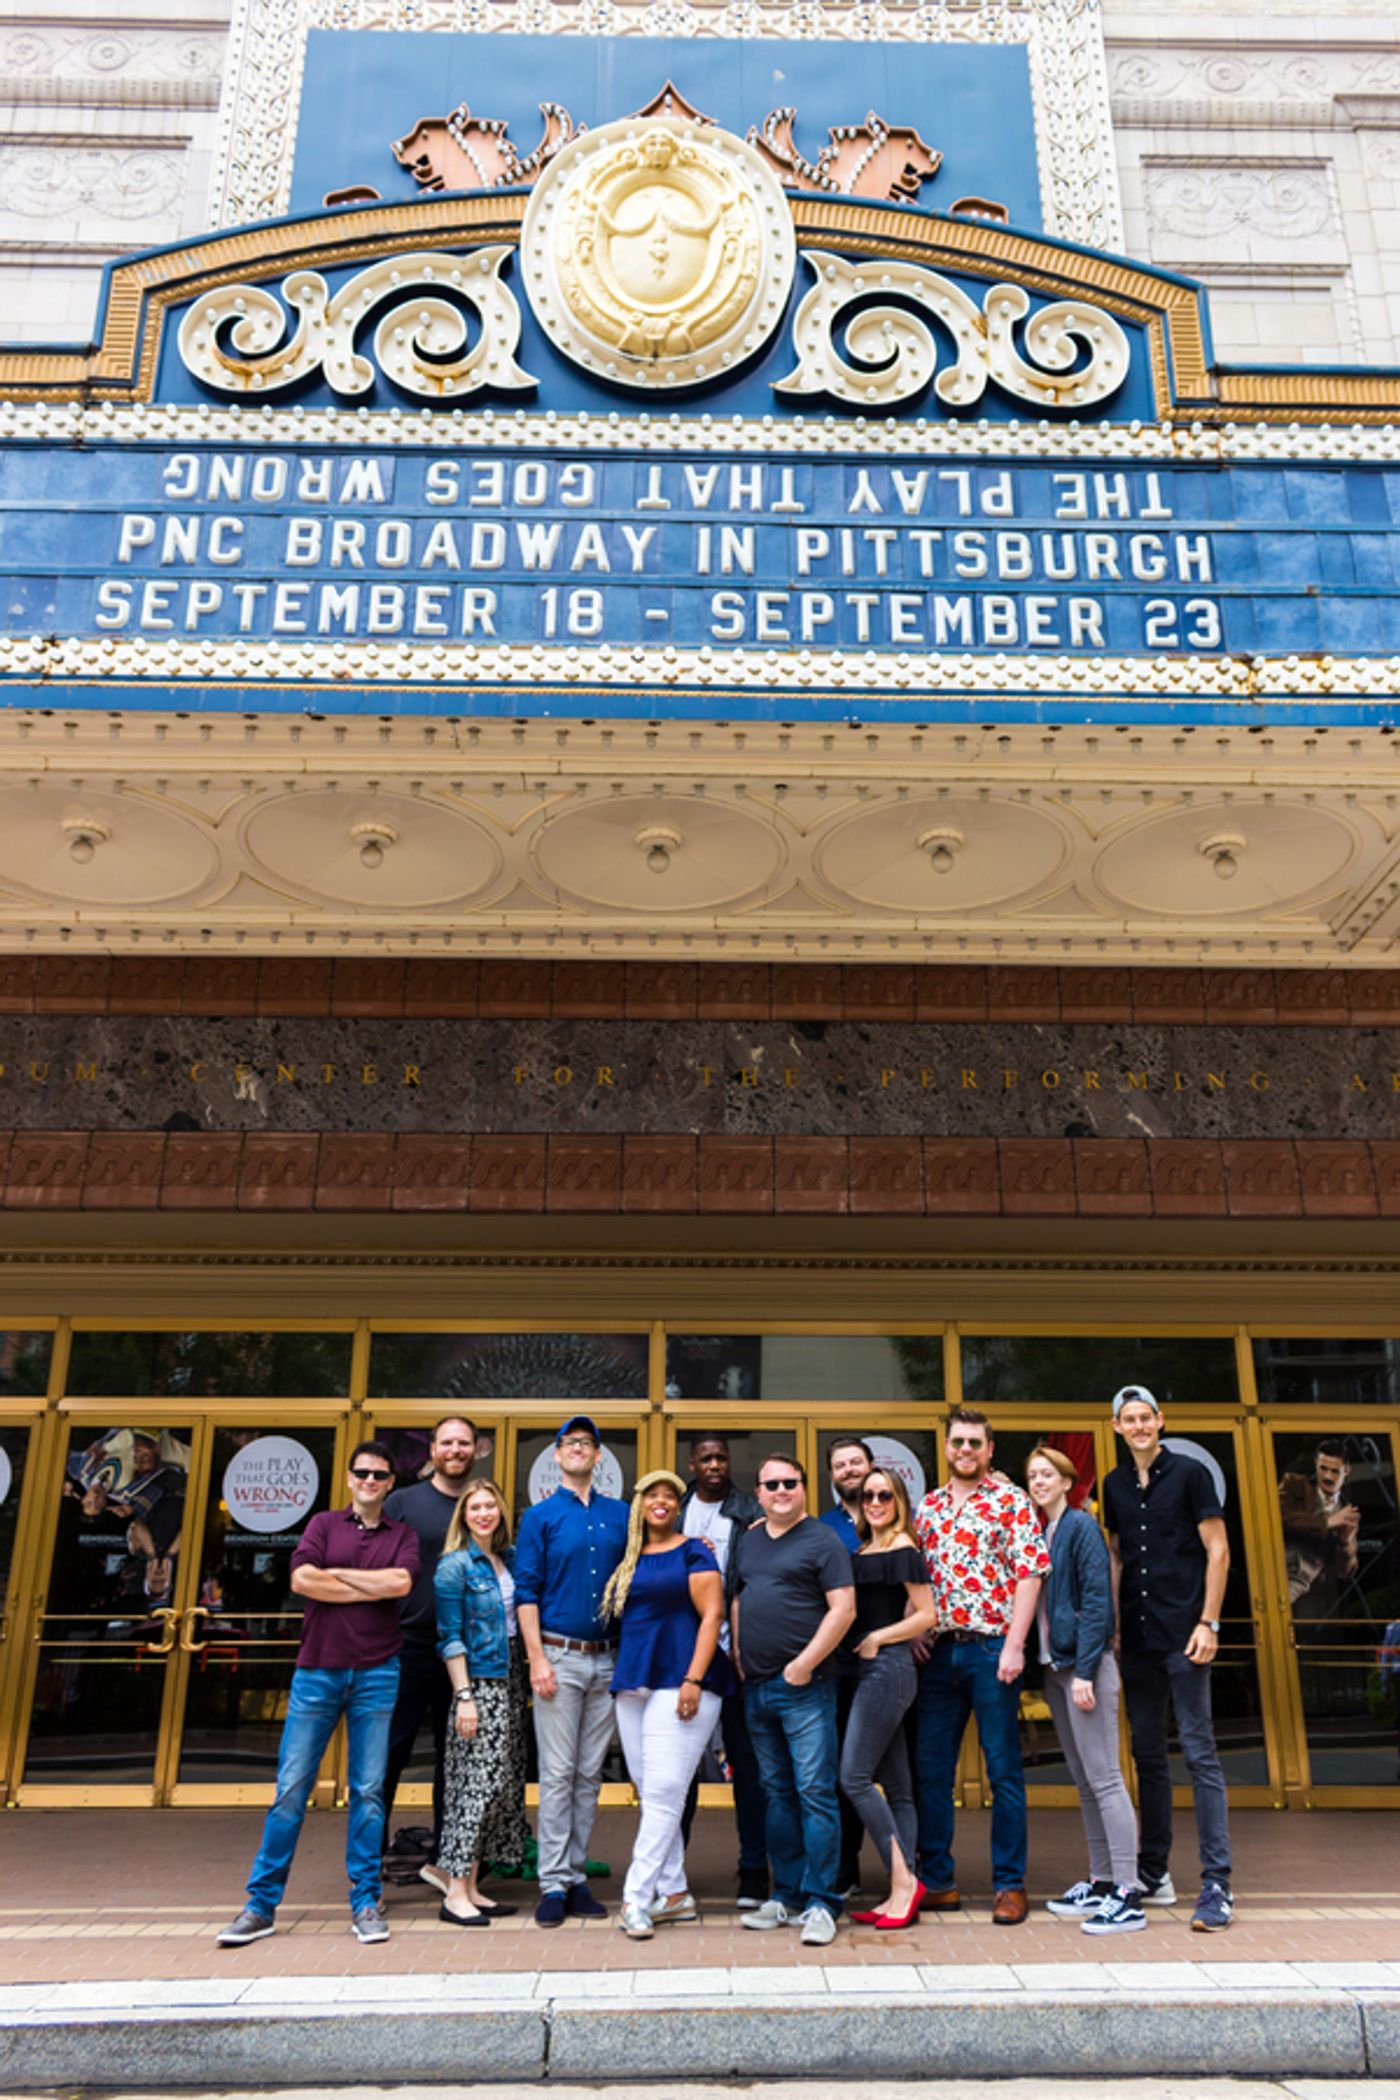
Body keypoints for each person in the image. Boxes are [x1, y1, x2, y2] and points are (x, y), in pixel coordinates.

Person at [217, 1440, 419, 1947]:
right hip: (318, 1673)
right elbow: (304, 1579)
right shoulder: (323, 1525)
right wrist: (363, 1585)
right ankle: (261, 1906)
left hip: (378, 1672)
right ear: (350, 1478)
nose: (370, 1481)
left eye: (380, 1474)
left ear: (391, 1483)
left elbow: (399, 1584)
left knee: (369, 1793)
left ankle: (366, 1902)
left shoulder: (404, 1533)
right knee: (290, 1791)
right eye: (363, 1473)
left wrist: (341, 1578)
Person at [912, 1406, 1050, 1926]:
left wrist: (1015, 1645)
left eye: (975, 1443)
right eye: (958, 1443)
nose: (966, 1450)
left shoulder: (1012, 1502)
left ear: (990, 1450)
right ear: (946, 1449)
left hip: (993, 1649)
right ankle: (940, 1882)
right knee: (931, 1772)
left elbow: (1030, 1576)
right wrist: (916, 1630)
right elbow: (916, 1579)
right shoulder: (927, 1509)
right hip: (939, 1654)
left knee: (1004, 1772)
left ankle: (1009, 1885)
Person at [1104, 1383, 1233, 1933]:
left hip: (1185, 1633)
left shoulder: (1189, 1474)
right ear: (1116, 1428)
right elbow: (1115, 1556)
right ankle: (1153, 1871)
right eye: (1127, 1420)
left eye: (1144, 1418)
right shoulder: (1111, 1485)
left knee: (1200, 1754)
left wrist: (1209, 1621)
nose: (1137, 1426)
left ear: (1160, 1421)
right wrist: (1109, 1626)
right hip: (1135, 1638)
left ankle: (1218, 1883)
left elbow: (1218, 1549)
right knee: (1148, 1755)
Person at [732, 1453, 855, 1948]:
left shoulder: (822, 1541)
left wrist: (804, 1663)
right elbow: (741, 1596)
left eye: (790, 1482)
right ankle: (785, 1894)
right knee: (776, 1793)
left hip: (806, 1687)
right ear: (758, 1493)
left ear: (804, 1488)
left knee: (814, 1792)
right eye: (771, 1484)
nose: (781, 1490)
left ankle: (823, 1901)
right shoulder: (751, 1539)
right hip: (757, 1685)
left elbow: (843, 1609)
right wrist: (740, 1650)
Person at [514, 1413, 630, 1927]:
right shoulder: (539, 1518)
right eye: (570, 1442)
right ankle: (552, 1883)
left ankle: (577, 1876)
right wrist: (536, 1657)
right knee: (558, 1774)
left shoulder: (622, 1515)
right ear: (557, 1455)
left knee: (588, 1775)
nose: (579, 1449)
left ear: (599, 1456)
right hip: (558, 1658)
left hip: (609, 1658)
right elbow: (526, 1592)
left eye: (588, 1443)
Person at [605, 1469, 731, 1938]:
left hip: (683, 1678)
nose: (660, 1502)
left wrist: (693, 1678)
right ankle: (675, 1892)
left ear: (679, 1506)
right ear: (638, 1504)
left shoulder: (694, 1549)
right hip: (636, 1678)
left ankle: (636, 1897)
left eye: (669, 1496)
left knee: (662, 1790)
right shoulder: (629, 1555)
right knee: (654, 1791)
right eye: (651, 1495)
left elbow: (712, 1614)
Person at [1025, 1444, 1144, 1937]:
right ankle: (1101, 1880)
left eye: (1047, 1473)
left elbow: (1098, 1603)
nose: (1038, 1481)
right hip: (1057, 1668)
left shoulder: (1079, 1527)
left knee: (1107, 1778)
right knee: (1085, 1780)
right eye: (1031, 1475)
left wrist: (1088, 1672)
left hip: (1083, 1667)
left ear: (1067, 1480)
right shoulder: (1043, 1530)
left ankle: (1128, 1893)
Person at [381, 1415, 481, 1888]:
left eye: (464, 1442)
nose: (456, 1449)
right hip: (407, 1645)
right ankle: (369, 1858)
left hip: (465, 1652)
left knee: (456, 1760)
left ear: (477, 1449)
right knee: (389, 1754)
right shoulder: (402, 1502)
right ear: (433, 1450)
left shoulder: (484, 1504)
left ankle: (447, 1860)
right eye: (447, 1442)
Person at [841, 1467, 936, 1931]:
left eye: (884, 1494)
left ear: (899, 1500)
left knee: (854, 1776)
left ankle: (902, 1883)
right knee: (897, 1787)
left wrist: (879, 1636)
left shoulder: (902, 1548)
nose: (875, 1501)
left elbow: (928, 1614)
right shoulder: (864, 1548)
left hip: (888, 1669)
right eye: (867, 1495)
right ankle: (905, 1884)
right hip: (871, 1670)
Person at [678, 1434, 769, 1908]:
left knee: (748, 1769)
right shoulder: (674, 1511)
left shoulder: (749, 1511)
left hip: (735, 1661)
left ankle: (754, 1868)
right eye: (705, 1457)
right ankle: (672, 1871)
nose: (714, 1464)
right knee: (682, 1771)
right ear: (692, 1462)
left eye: (721, 1457)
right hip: (684, 1663)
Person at [432, 1478, 527, 1927]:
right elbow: (449, 1638)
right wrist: (464, 1696)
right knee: (473, 1787)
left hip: (511, 1681)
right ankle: (453, 1892)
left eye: (491, 1506)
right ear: (464, 1516)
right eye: (476, 1508)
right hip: (479, 1684)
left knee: (500, 1787)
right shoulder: (454, 1566)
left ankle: (472, 1886)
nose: (484, 1513)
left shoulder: (506, 1560)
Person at [819, 1436, 875, 1897]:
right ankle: (845, 1868)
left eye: (856, 1462)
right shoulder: (820, 1528)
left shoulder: (894, 1516)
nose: (850, 1470)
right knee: (843, 1770)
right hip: (839, 1666)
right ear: (832, 1475)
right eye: (841, 1465)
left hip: (890, 1663)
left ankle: (912, 1865)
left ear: (872, 1465)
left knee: (903, 1771)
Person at [1278, 1440, 1360, 1615]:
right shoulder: (1294, 1484)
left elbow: (1345, 1571)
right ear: (1316, 1464)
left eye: (1335, 1471)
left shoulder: (1346, 1512)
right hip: (1273, 1566)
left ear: (1346, 1471)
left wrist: (1344, 1542)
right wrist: (1327, 1523)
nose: (1328, 1477)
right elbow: (1278, 1516)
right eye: (1323, 1468)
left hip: (1301, 1585)